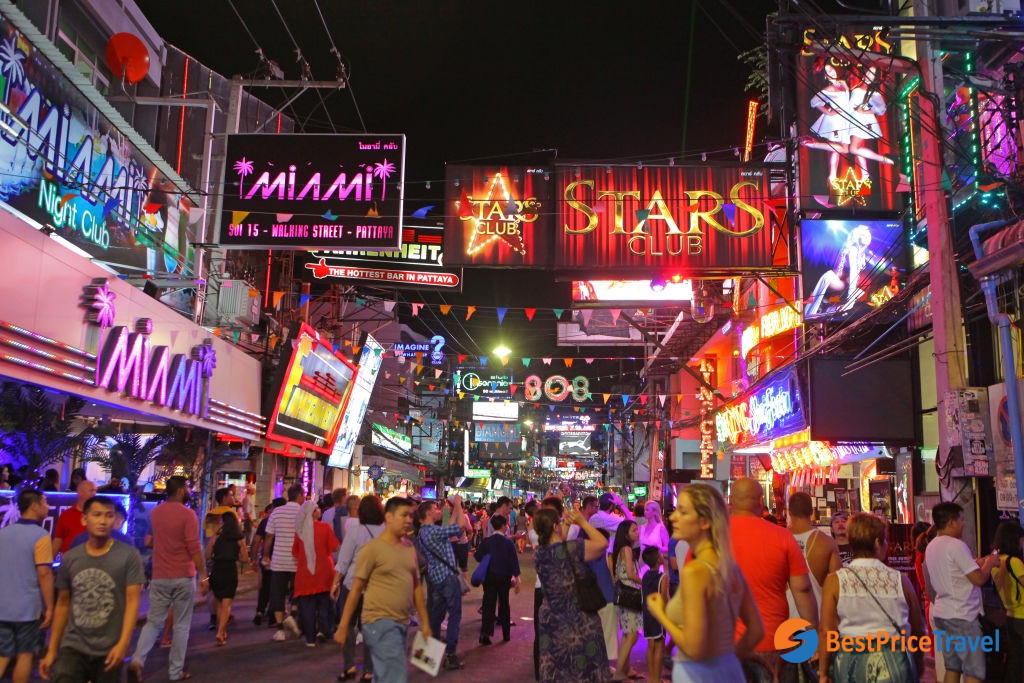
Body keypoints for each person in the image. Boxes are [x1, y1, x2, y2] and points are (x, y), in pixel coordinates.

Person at [646, 483, 764, 683]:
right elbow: (756, 630)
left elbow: (694, 648)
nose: (673, 517)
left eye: (683, 512)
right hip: (728, 671)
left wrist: (661, 614)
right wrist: (728, 659)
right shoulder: (728, 566)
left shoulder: (695, 572)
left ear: (705, 522)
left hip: (696, 674)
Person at [41, 496, 144, 683]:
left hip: (108, 647)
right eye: (96, 515)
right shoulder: (71, 558)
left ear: (115, 519)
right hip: (73, 646)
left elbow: (132, 601)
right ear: (84, 519)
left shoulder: (128, 555)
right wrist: (52, 649)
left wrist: (123, 643)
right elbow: (63, 603)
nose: (103, 521)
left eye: (108, 515)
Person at [729, 478, 817, 682]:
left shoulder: (710, 538)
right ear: (761, 501)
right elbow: (802, 590)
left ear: (731, 500)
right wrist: (813, 635)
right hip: (773, 643)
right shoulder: (782, 537)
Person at [818, 512, 923, 683]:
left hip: (851, 662)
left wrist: (823, 672)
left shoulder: (835, 581)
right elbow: (917, 628)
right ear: (877, 543)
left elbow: (826, 631)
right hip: (895, 661)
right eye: (885, 540)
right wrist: (917, 661)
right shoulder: (900, 580)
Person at [335, 497, 431, 683]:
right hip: (379, 622)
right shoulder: (372, 549)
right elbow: (356, 588)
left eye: (410, 516)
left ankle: (364, 670)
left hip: (400, 621)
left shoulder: (408, 547)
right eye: (404, 515)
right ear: (388, 517)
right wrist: (343, 625)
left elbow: (416, 586)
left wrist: (425, 623)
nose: (409, 520)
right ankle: (367, 670)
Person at [128, 475, 208, 683]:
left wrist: (165, 546)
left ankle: (137, 661)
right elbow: (194, 548)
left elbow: (148, 541)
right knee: (181, 626)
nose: (189, 491)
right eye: (187, 488)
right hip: (183, 576)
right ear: (180, 491)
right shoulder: (188, 515)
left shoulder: (156, 512)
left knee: (153, 622)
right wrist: (204, 576)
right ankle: (175, 672)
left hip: (160, 575)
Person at [924, 501, 1000, 683]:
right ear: (951, 522)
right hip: (962, 616)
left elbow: (958, 570)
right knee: (974, 671)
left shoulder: (932, 546)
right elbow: (979, 579)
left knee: (953, 667)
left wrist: (980, 562)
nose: (963, 524)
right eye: (961, 520)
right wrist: (990, 563)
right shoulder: (956, 545)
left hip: (943, 613)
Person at [533, 505, 611, 683]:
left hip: (552, 619)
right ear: (555, 527)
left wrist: (566, 524)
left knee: (559, 667)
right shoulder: (574, 548)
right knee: (582, 667)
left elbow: (558, 543)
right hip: (578, 617)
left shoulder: (538, 554)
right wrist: (582, 522)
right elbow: (602, 543)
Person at [0, 488, 54, 683]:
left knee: (3, 655)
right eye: (45, 502)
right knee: (25, 655)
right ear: (34, 506)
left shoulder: (3, 533)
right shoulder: (41, 535)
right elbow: (44, 573)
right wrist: (50, 607)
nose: (48, 506)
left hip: (3, 607)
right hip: (28, 609)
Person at [330, 495, 385, 682]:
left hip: (352, 584)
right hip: (376, 587)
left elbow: (343, 561)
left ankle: (349, 666)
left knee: (347, 624)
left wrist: (335, 583)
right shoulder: (386, 532)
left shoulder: (355, 531)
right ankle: (369, 670)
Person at [415, 496, 467, 670]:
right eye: (435, 509)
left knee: (436, 617)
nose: (438, 511)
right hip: (447, 577)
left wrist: (450, 510)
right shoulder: (432, 531)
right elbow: (460, 527)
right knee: (455, 615)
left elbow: (447, 527)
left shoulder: (424, 532)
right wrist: (458, 504)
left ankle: (430, 655)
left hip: (435, 578)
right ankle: (450, 655)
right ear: (429, 513)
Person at [785, 492, 840, 619]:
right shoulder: (827, 543)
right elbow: (837, 586)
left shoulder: (777, 540)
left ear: (789, 512)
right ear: (811, 511)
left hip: (785, 620)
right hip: (817, 618)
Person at [291, 500, 338, 647]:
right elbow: (334, 547)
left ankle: (310, 638)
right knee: (324, 605)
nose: (319, 510)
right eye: (317, 508)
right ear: (312, 513)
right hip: (324, 572)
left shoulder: (300, 531)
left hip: (305, 573)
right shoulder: (325, 527)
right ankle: (324, 631)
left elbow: (295, 552)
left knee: (307, 608)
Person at [265, 483, 304, 641]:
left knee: (278, 593)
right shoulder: (303, 513)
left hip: (278, 560)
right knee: (297, 592)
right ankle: (292, 617)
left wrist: (265, 555)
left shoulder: (277, 512)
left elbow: (269, 537)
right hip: (297, 560)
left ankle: (280, 630)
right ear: (299, 496)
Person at [475, 513, 520, 644]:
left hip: (489, 577)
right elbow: (514, 561)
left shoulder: (487, 542)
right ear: (503, 526)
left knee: (488, 604)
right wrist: (517, 577)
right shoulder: (508, 543)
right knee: (504, 604)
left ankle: (485, 634)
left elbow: (477, 556)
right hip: (504, 577)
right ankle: (506, 634)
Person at [206, 511, 247, 646]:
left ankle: (222, 631)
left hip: (217, 570)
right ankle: (220, 632)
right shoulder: (239, 539)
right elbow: (244, 558)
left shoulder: (216, 537)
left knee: (219, 602)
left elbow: (207, 555)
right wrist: (236, 556)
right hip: (230, 570)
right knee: (227, 604)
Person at [990, 521, 1024, 678]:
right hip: (1022, 616)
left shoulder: (996, 562)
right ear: (1015, 539)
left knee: (1015, 660)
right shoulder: (1014, 562)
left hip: (1010, 616)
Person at [611, 520, 643, 681]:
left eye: (637, 529)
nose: (638, 533)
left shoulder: (622, 549)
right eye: (634, 530)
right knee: (632, 635)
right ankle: (619, 672)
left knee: (627, 634)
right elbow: (630, 574)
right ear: (626, 534)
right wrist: (645, 583)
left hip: (623, 596)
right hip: (629, 596)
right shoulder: (627, 549)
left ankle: (626, 668)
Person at [252, 499, 284, 626]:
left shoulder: (265, 521)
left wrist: (254, 559)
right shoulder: (284, 521)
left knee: (265, 586)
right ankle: (272, 616)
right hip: (279, 558)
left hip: (266, 559)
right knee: (276, 588)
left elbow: (257, 540)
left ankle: (260, 612)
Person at [640, 546, 668, 683]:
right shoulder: (662, 577)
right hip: (658, 615)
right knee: (659, 646)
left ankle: (651, 678)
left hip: (647, 614)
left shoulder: (645, 576)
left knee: (650, 645)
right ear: (658, 560)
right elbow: (664, 598)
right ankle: (657, 679)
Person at [52, 479, 96, 558]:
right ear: (80, 492)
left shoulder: (98, 515)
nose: (94, 494)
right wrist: (49, 561)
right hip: (69, 560)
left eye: (95, 491)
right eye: (91, 490)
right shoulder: (66, 515)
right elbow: (58, 540)